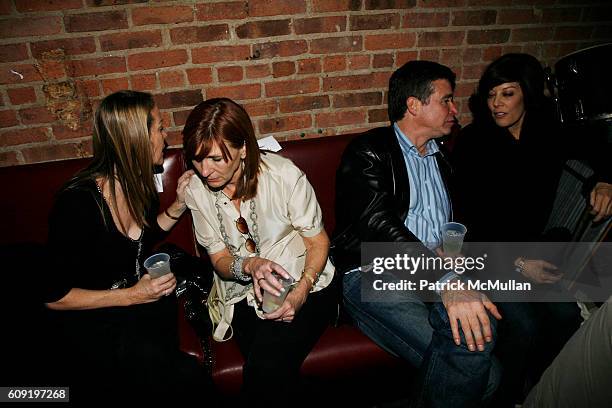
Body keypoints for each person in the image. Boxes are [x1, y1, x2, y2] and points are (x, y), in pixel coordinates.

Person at [331, 60, 502, 407]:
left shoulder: (443, 158)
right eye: (446, 100)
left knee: (488, 351)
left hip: (431, 271)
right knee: (486, 377)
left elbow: (458, 222)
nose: (455, 109)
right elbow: (376, 226)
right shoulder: (368, 151)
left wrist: (454, 259)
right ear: (414, 105)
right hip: (371, 274)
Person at [452, 53, 612, 406]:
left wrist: (605, 181)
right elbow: (468, 227)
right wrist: (520, 264)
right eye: (491, 95)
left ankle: (541, 392)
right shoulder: (472, 144)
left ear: (527, 93)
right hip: (487, 256)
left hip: (536, 248)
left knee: (566, 317)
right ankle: (505, 398)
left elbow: (598, 146)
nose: (496, 104)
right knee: (523, 326)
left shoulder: (548, 130)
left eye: (507, 94)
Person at [45, 90, 209, 402]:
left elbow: (141, 239)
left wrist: (178, 205)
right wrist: (133, 295)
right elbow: (55, 297)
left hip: (135, 308)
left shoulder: (139, 185)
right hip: (92, 320)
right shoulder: (78, 204)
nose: (166, 136)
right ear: (135, 138)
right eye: (159, 128)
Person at [182, 98, 336, 407]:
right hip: (242, 292)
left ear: (242, 149)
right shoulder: (196, 191)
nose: (205, 170)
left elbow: (318, 243)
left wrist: (301, 291)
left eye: (215, 159)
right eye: (197, 160)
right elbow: (220, 261)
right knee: (268, 370)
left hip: (309, 281)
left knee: (265, 369)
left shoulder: (283, 176)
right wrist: (250, 265)